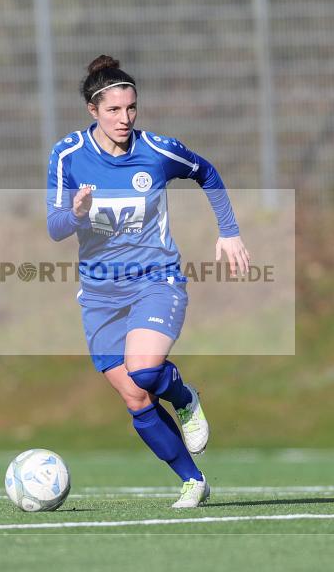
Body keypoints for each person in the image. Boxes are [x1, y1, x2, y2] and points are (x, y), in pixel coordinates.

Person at [46, 55, 250, 508]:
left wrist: (229, 231)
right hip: (99, 295)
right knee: (136, 397)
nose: (125, 118)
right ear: (93, 110)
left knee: (146, 370)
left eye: (131, 108)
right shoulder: (68, 155)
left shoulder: (157, 151)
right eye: (114, 110)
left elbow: (207, 172)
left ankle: (184, 396)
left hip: (156, 280)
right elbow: (55, 227)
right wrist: (75, 214)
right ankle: (193, 481)